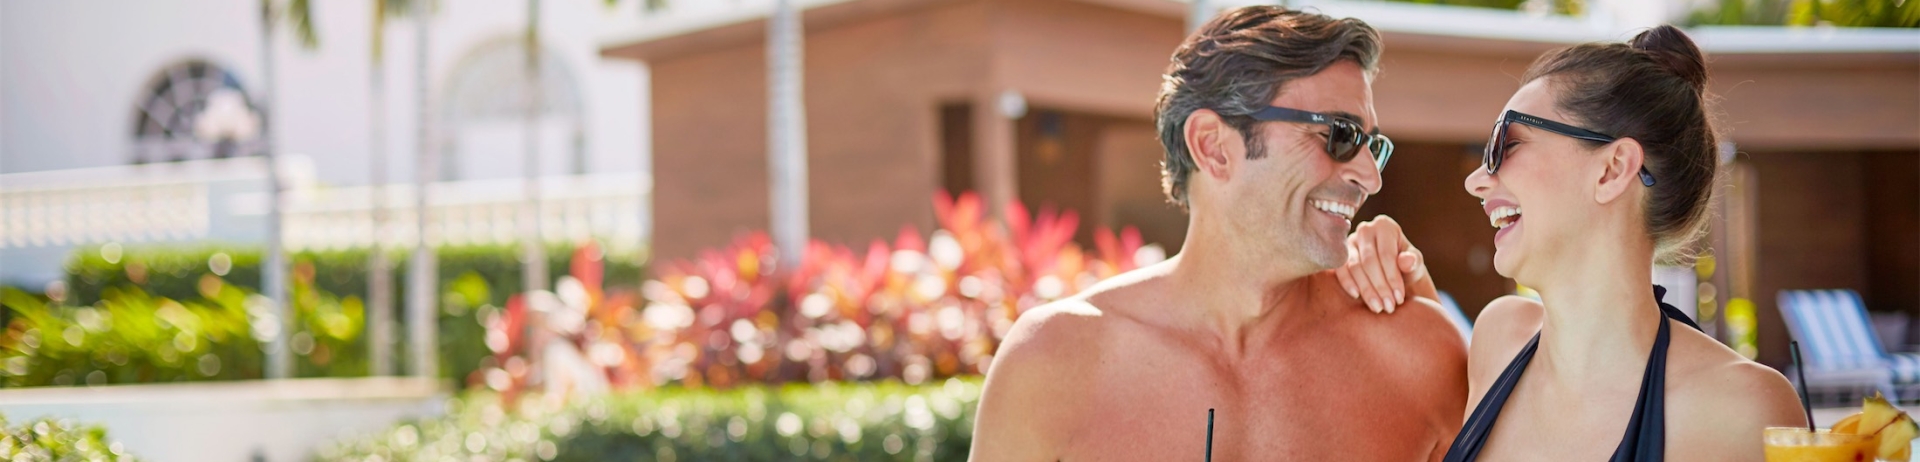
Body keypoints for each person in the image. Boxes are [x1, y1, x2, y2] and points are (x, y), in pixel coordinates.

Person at [968, 6, 1467, 461]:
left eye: (1372, 145)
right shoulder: (1052, 363)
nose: (1370, 176)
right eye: (1340, 134)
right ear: (1213, 147)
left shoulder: (1415, 355)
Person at [1333, 26, 1807, 461]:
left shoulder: (1743, 410)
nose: (1478, 179)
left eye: (1505, 144)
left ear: (1612, 169)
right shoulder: (1499, 340)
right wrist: (1398, 279)